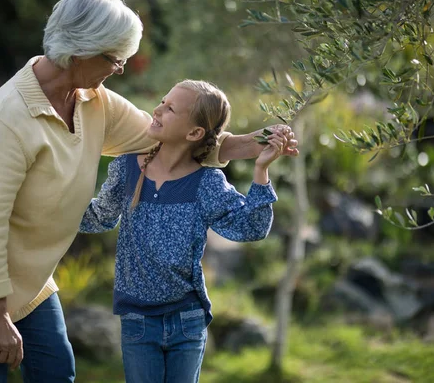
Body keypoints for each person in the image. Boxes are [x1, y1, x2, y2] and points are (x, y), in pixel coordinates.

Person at [0, 0, 298, 382]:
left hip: (26, 262)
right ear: (79, 53)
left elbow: (164, 138)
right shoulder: (6, 118)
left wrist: (249, 145)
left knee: (56, 371)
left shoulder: (91, 99)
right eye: (115, 58)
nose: (120, 69)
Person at [79, 79, 291, 383]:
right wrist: (50, 203)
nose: (157, 109)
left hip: (187, 320)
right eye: (162, 102)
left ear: (194, 133)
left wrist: (261, 170)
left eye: (170, 109)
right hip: (137, 319)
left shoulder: (207, 183)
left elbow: (250, 228)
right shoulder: (125, 168)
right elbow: (100, 217)